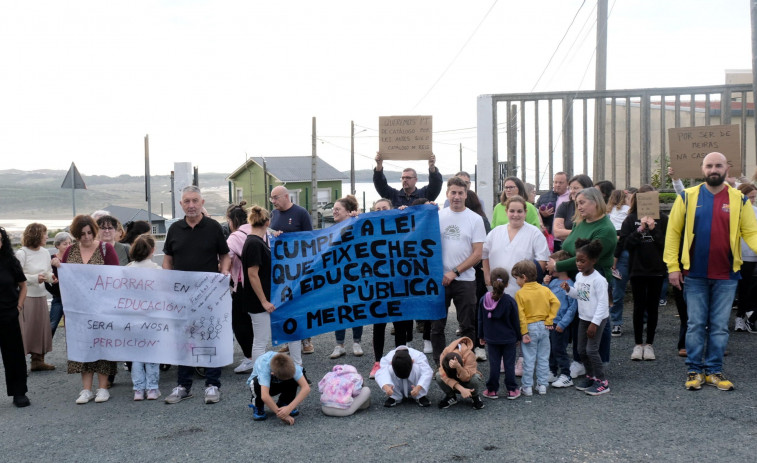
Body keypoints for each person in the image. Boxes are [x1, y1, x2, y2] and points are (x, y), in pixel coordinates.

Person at [664, 152, 757, 392]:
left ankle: (714, 371)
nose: (713, 169)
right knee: (695, 325)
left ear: (727, 167)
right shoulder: (687, 196)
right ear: (702, 169)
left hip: (727, 275)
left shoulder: (740, 199)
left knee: (718, 326)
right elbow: (673, 234)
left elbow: (752, 233)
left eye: (718, 165)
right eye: (709, 165)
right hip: (693, 274)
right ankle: (694, 370)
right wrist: (673, 267)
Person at [163, 186, 231, 404]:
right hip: (182, 297)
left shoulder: (213, 228)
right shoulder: (174, 229)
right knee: (183, 339)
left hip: (209, 296)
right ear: (181, 204)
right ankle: (183, 385)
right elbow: (168, 260)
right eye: (186, 201)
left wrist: (223, 274)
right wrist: (167, 281)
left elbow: (225, 255)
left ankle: (212, 384)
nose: (191, 205)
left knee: (210, 336)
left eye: (195, 201)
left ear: (202, 202)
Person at [547, 186, 616, 376]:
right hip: (578, 275)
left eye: (582, 203)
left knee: (597, 318)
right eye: (577, 203)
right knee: (581, 317)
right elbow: (572, 249)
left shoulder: (605, 229)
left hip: (595, 275)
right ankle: (581, 359)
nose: (579, 207)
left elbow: (586, 256)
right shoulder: (580, 222)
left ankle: (597, 361)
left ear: (596, 202)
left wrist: (558, 266)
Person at [62, 215, 120, 404]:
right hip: (79, 309)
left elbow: (115, 277)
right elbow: (63, 279)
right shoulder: (70, 251)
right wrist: (56, 267)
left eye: (89, 233)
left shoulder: (106, 249)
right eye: (82, 234)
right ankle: (86, 389)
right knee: (83, 346)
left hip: (101, 307)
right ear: (76, 234)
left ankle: (103, 387)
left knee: (102, 344)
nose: (86, 237)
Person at [432, 177, 485, 366]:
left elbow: (477, 253)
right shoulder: (438, 217)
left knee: (467, 325)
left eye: (460, 193)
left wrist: (454, 272)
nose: (456, 197)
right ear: (447, 194)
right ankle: (441, 363)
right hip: (440, 280)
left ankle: (465, 360)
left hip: (466, 280)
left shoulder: (475, 219)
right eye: (453, 192)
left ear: (466, 194)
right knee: (437, 325)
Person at [618, 185, 668, 361]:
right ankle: (638, 344)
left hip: (656, 270)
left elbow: (667, 245)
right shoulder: (631, 219)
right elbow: (626, 244)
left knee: (653, 307)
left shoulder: (662, 218)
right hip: (637, 269)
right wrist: (639, 230)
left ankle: (650, 344)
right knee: (638, 307)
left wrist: (654, 229)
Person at [368, 198, 414, 378]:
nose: (381, 211)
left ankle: (400, 362)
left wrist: (406, 213)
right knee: (378, 326)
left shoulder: (400, 226)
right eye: (377, 208)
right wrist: (353, 217)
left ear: (392, 209)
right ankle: (378, 362)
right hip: (378, 286)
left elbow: (416, 230)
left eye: (385, 208)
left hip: (398, 285)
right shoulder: (369, 229)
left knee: (400, 326)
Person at [269, 185, 315, 356]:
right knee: (284, 303)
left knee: (301, 303)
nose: (273, 201)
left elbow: (310, 239)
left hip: (299, 267)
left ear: (286, 197)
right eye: (271, 198)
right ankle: (289, 340)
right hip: (281, 268)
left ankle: (307, 340)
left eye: (275, 197)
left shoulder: (301, 213)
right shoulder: (273, 214)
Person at [562, 239, 610, 396]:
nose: (579, 264)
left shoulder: (599, 280)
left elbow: (603, 304)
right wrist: (569, 290)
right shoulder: (579, 277)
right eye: (577, 260)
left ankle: (602, 382)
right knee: (581, 350)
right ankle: (590, 376)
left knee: (591, 350)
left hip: (597, 319)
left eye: (583, 261)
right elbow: (580, 295)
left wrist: (595, 323)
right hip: (584, 318)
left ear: (593, 260)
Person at [483, 195, 550, 299]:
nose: (515, 215)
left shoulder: (535, 233)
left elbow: (542, 261)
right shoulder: (495, 232)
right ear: (506, 212)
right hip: (497, 288)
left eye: (519, 211)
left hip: (522, 291)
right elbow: (484, 255)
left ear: (525, 212)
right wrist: (487, 278)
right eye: (512, 211)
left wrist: (528, 282)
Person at [512, 260, 560, 396]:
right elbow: (556, 302)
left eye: (517, 278)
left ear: (524, 277)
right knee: (543, 357)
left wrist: (523, 332)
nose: (516, 282)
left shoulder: (520, 294)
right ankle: (542, 385)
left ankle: (527, 387)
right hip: (545, 326)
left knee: (528, 358)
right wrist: (549, 319)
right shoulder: (544, 289)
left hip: (529, 327)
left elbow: (521, 315)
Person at [329, 195, 365, 359]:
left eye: (338, 209)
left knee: (356, 307)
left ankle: (356, 342)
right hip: (338, 276)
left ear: (348, 212)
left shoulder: (357, 225)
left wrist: (357, 218)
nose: (334, 211)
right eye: (333, 209)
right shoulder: (331, 230)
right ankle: (339, 344)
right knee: (339, 308)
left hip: (356, 274)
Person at [126, 235, 162, 401]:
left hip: (133, 318)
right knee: (152, 354)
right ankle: (152, 388)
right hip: (152, 318)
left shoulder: (127, 269)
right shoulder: (156, 269)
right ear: (152, 250)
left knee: (136, 355)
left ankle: (138, 389)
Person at [15, 223, 55, 372]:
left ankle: (38, 361)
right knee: (26, 331)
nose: (46, 236)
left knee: (40, 329)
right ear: (37, 234)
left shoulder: (45, 252)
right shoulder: (22, 253)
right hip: (27, 297)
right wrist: (33, 278)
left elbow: (47, 272)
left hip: (41, 295)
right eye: (45, 233)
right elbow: (16, 276)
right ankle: (20, 365)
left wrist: (51, 278)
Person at [478, 267, 521, 400]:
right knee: (509, 364)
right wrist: (518, 337)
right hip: (509, 338)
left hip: (491, 338)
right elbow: (516, 321)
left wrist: (481, 335)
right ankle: (512, 389)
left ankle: (492, 390)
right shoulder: (510, 301)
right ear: (507, 284)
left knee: (494, 364)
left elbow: (480, 319)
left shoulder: (483, 300)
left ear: (490, 282)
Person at [0, 226, 31, 407]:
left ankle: (19, 393)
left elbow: (23, 285)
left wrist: (19, 306)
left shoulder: (10, 261)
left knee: (14, 356)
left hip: (8, 314)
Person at [241, 206, 275, 366]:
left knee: (260, 341)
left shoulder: (254, 241)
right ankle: (257, 376)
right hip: (257, 301)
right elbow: (252, 274)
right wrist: (263, 301)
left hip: (257, 299)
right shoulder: (254, 243)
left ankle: (258, 375)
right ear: (267, 222)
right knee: (260, 342)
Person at [226, 202, 255, 374]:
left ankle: (250, 358)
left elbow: (226, 260)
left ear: (232, 220)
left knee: (239, 322)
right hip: (261, 282)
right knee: (257, 322)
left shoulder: (234, 237)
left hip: (243, 285)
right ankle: (257, 355)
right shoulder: (258, 230)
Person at [543, 250, 577, 388]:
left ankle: (566, 374)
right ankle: (552, 371)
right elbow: (544, 297)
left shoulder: (570, 284)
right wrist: (545, 284)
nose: (548, 267)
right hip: (550, 322)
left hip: (560, 323)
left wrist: (563, 323)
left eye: (551, 264)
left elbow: (572, 307)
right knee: (550, 348)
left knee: (559, 349)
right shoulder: (553, 282)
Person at [247, 352, 311, 425]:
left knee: (296, 380)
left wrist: (289, 407)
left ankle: (285, 402)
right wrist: (282, 415)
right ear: (273, 373)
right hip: (263, 386)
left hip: (279, 380)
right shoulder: (264, 366)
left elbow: (306, 388)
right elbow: (265, 396)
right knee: (255, 383)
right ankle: (258, 406)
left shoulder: (292, 366)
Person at [373, 153, 442, 208]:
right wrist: (379, 166)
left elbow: (436, 184)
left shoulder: (424, 194)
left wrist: (432, 168)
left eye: (408, 178)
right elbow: (380, 185)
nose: (405, 180)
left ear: (416, 180)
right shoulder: (393, 195)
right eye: (403, 178)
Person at [436, 337, 485, 410]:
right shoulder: (445, 353)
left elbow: (467, 377)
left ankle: (474, 396)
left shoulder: (470, 354)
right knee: (438, 375)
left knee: (475, 377)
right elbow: (443, 374)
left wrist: (458, 367)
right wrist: (461, 389)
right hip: (451, 379)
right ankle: (451, 396)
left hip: (466, 378)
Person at [734, 183, 757, 332]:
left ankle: (743, 317)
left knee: (747, 289)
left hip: (751, 255)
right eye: (751, 196)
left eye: (755, 196)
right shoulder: (733, 211)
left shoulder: (755, 211)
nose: (754, 199)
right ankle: (738, 317)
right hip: (737, 255)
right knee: (736, 289)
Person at [553, 174, 593, 254]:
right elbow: (557, 233)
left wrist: (566, 232)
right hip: (567, 253)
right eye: (570, 188)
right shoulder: (565, 206)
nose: (572, 191)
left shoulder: (593, 208)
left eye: (576, 188)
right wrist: (584, 233)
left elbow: (594, 233)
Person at [48, 231, 72, 338]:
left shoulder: (74, 259)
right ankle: (41, 350)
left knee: (72, 327)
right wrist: (55, 292)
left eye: (70, 243)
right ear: (57, 245)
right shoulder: (51, 259)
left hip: (72, 298)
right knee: (51, 325)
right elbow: (46, 281)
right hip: (58, 298)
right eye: (65, 244)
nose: (68, 246)